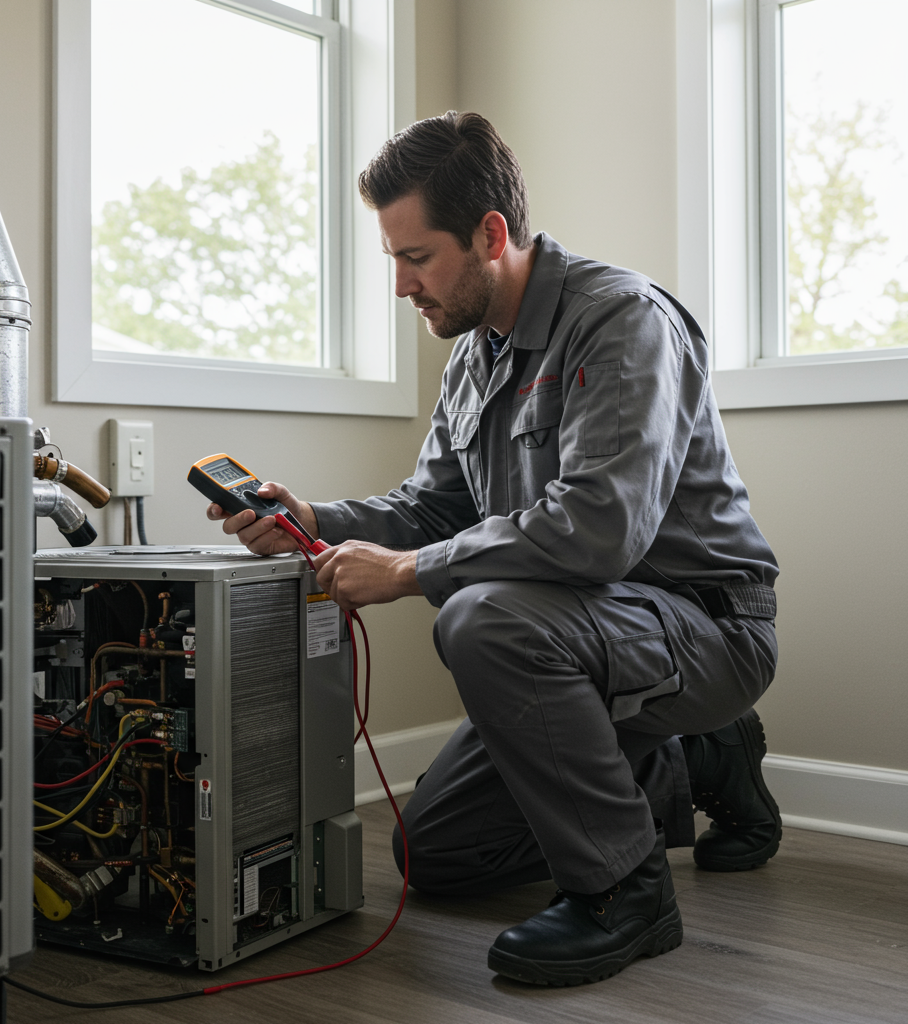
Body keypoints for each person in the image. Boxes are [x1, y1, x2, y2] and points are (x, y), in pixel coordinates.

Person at [208, 111, 782, 987]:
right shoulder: (474, 354)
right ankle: (689, 756)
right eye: (393, 259)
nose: (402, 285)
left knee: (483, 618)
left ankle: (627, 893)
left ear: (490, 234)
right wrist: (316, 520)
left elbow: (598, 530)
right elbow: (432, 505)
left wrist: (406, 573)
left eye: (416, 257)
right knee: (433, 856)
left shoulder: (621, 320)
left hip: (705, 627)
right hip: (589, 633)